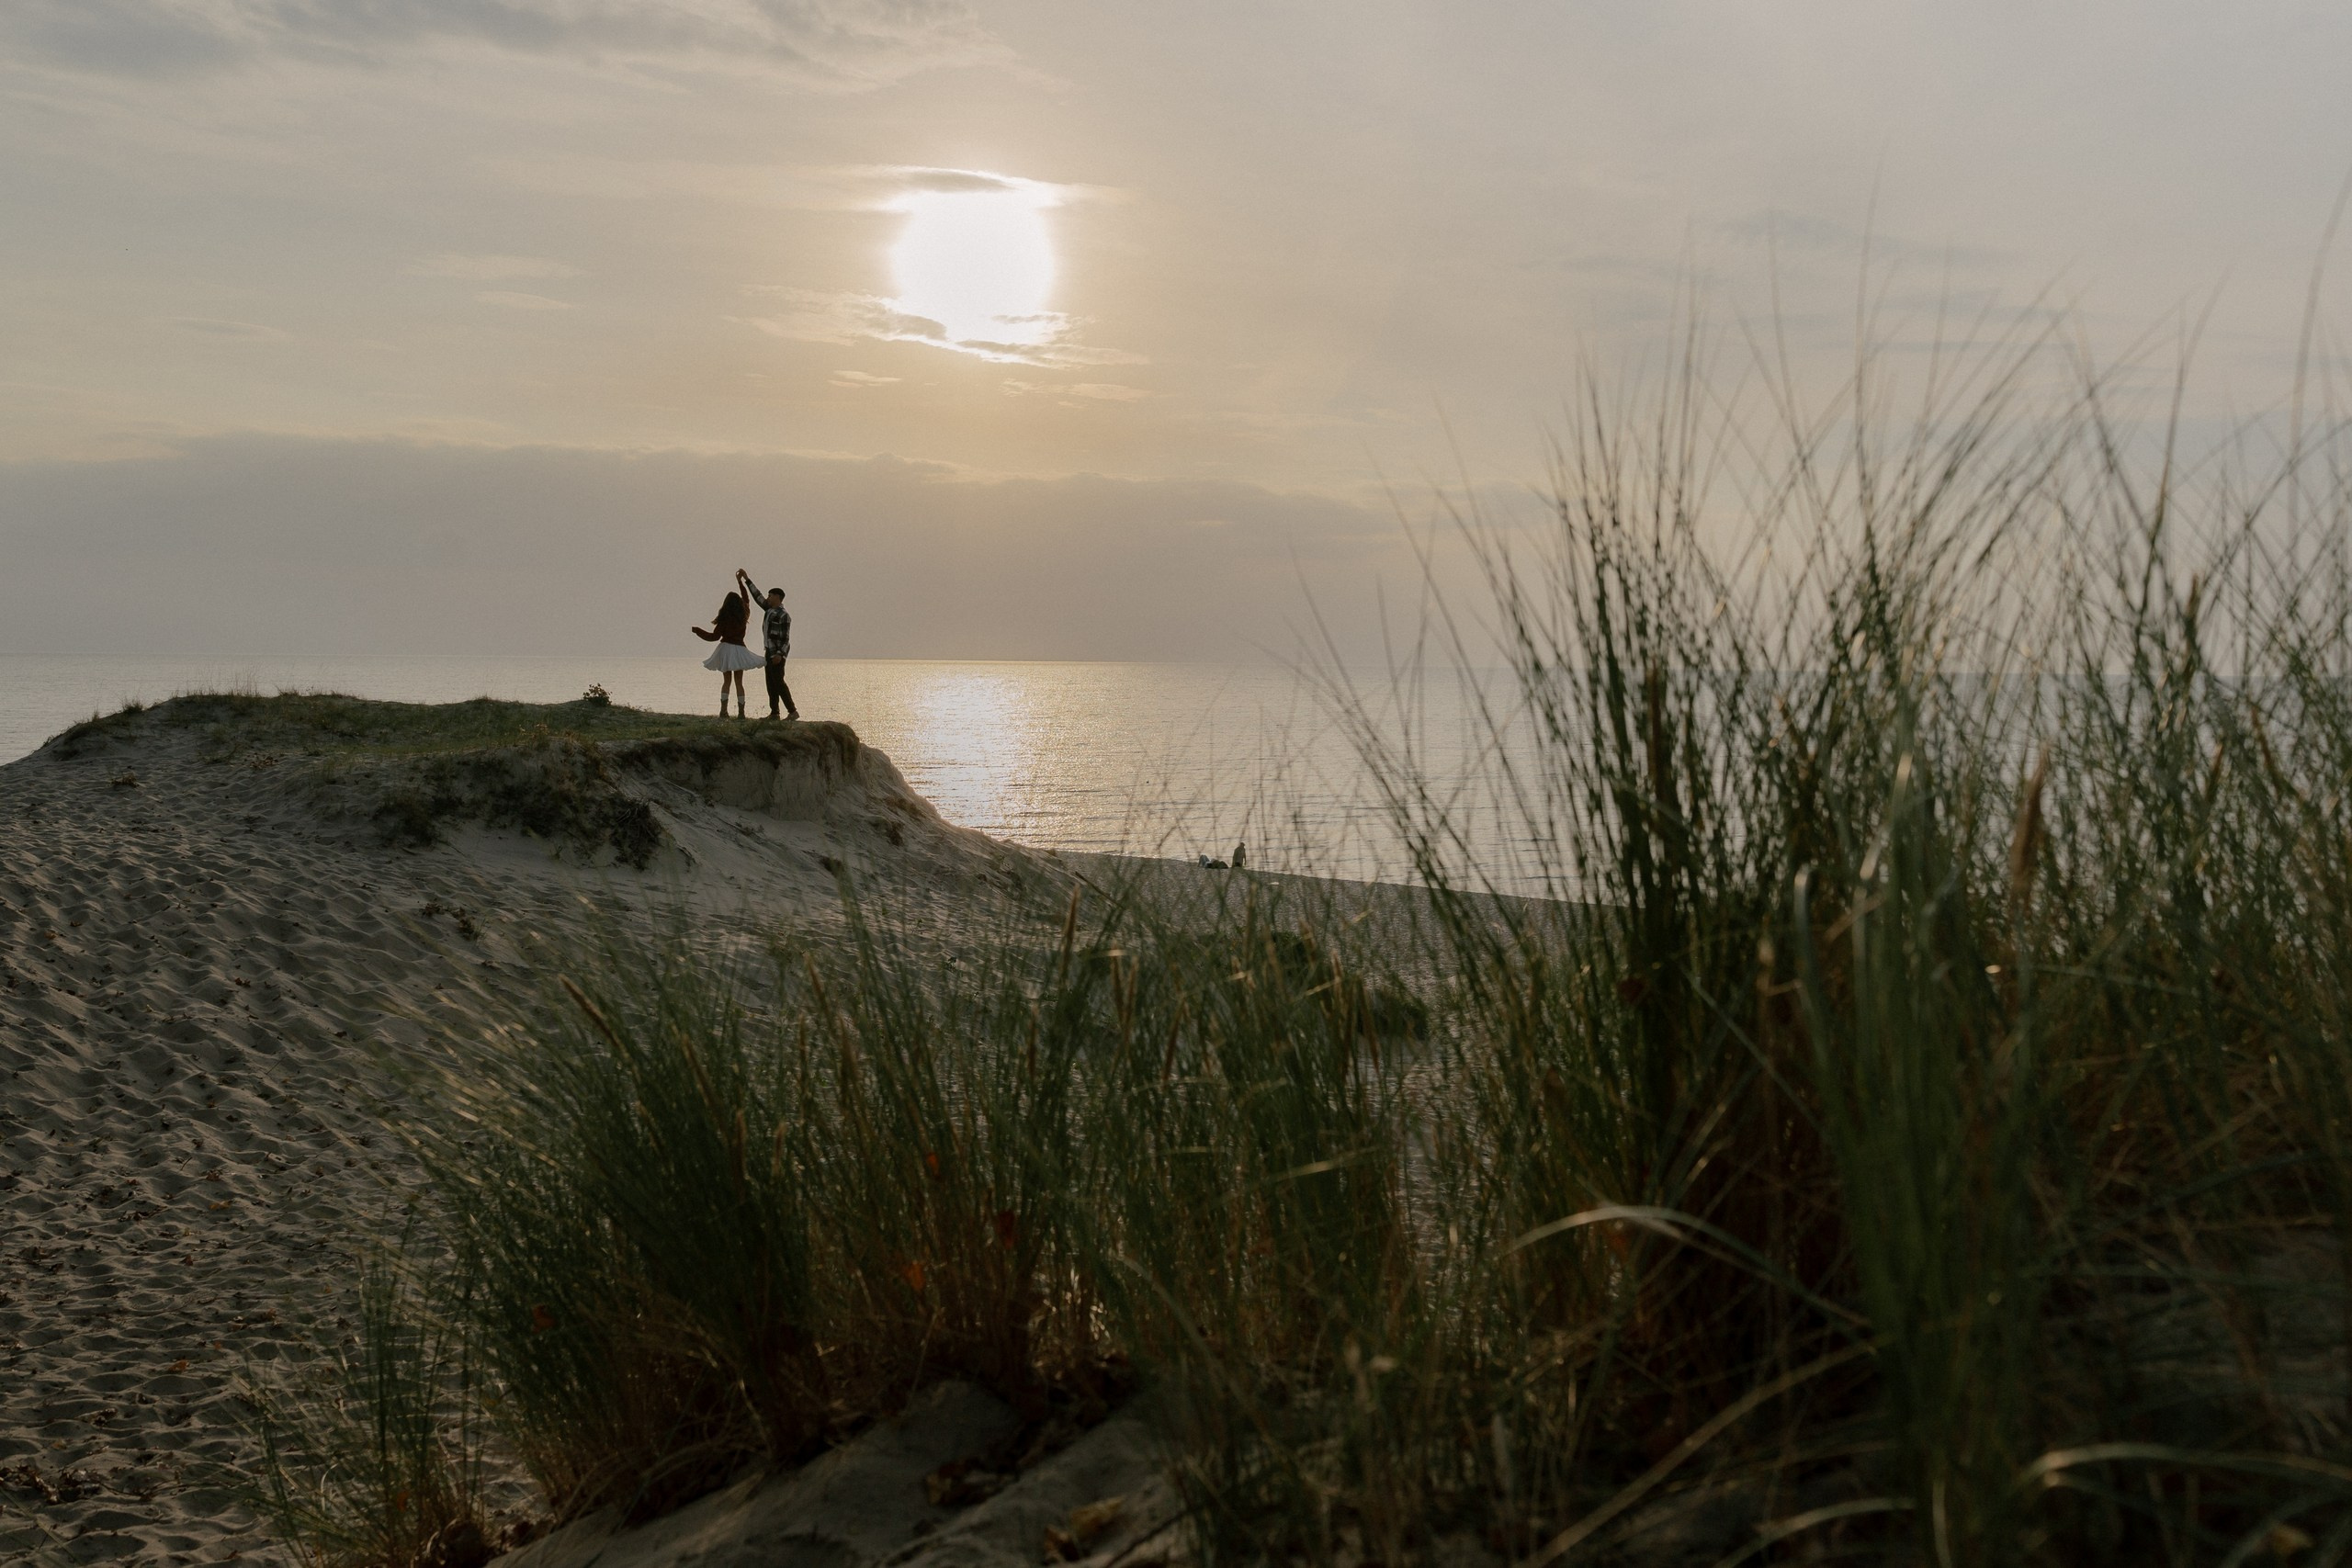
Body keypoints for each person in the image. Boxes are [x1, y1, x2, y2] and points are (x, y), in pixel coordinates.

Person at [736, 568, 799, 720]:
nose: (768, 598)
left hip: (777, 653)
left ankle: (792, 711)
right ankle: (775, 712)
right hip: (769, 651)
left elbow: (785, 638)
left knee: (778, 681)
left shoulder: (783, 615)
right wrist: (746, 579)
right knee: (770, 682)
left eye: (770, 595)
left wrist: (780, 654)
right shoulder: (769, 609)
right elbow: (757, 596)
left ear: (777, 597)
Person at [691, 588, 761, 716]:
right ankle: (741, 713)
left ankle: (723, 711)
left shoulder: (724, 619)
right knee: (739, 683)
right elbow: (746, 599)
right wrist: (740, 582)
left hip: (726, 650)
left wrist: (697, 631)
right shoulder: (744, 615)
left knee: (726, 682)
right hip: (739, 649)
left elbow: (714, 637)